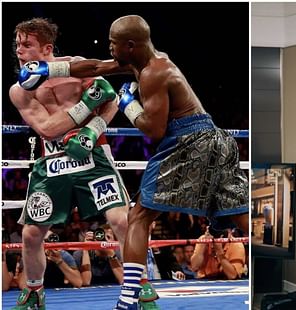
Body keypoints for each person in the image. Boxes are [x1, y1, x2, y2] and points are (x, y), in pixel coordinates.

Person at [17, 15, 249, 309]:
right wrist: (50, 69)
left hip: (186, 141)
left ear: (129, 45)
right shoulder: (141, 60)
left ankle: (131, 295)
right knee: (242, 214)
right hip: (216, 139)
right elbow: (97, 67)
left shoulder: (154, 72)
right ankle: (254, 244)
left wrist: (126, 106)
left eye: (113, 44)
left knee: (137, 217)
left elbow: (154, 129)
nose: (109, 49)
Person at [9, 17, 131, 309]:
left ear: (47, 48)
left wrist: (93, 129)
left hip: (93, 154)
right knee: (31, 233)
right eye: (17, 45)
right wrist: (86, 106)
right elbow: (48, 129)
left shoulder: (76, 66)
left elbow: (111, 99)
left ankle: (138, 286)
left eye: (27, 45)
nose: (19, 51)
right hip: (52, 161)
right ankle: (35, 291)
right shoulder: (19, 90)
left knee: (122, 221)